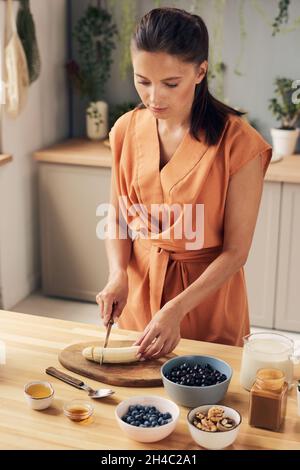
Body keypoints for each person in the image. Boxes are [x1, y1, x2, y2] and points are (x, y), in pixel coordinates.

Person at [96, 7, 272, 360]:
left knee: (206, 408)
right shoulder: (125, 130)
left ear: (200, 71)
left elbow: (236, 253)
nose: (154, 98)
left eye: (170, 83)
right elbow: (117, 218)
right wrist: (118, 274)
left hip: (205, 303)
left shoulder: (240, 144)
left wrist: (176, 309)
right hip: (140, 296)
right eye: (142, 81)